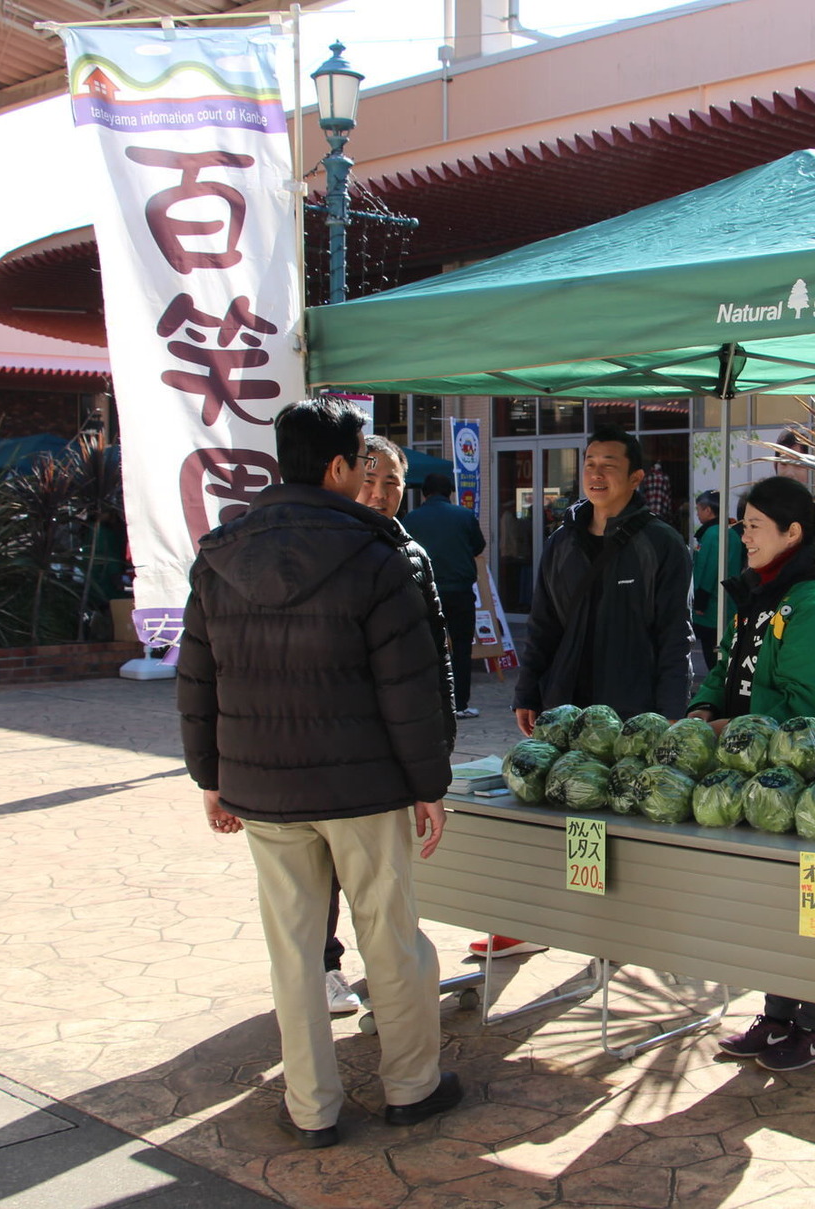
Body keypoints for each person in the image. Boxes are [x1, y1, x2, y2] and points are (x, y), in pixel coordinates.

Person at [179, 398, 463, 1148]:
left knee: (295, 950)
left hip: (266, 793)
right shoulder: (378, 554)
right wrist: (429, 783)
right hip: (365, 791)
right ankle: (411, 1086)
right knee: (390, 939)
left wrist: (209, 775)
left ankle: (311, 1106)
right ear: (338, 466)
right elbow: (408, 687)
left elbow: (197, 677)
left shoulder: (219, 552)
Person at [484, 426, 693, 960]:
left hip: (631, 711)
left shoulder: (662, 545)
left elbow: (674, 637)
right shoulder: (562, 539)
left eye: (610, 465)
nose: (596, 473)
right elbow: (544, 624)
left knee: (620, 823)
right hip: (564, 706)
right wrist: (526, 691)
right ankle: (537, 919)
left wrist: (671, 714)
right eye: (590, 463)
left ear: (637, 477)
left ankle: (620, 930)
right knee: (558, 808)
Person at [685, 474, 815, 1072]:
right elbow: (724, 671)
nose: (744, 538)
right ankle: (778, 1015)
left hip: (811, 789)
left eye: (754, 527)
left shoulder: (814, 608)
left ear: (793, 533)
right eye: (741, 527)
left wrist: (724, 731)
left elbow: (803, 709)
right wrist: (703, 710)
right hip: (756, 779)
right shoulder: (759, 598)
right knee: (771, 903)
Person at [307, 436, 457, 1018]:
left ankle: (387, 983)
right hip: (329, 748)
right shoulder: (320, 550)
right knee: (320, 874)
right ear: (341, 478)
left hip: (392, 751)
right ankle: (322, 968)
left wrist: (437, 744)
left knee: (381, 882)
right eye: (368, 479)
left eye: (391, 482)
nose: (379, 493)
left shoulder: (411, 553)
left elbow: (434, 654)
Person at [403, 471, 487, 720]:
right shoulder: (464, 515)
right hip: (460, 592)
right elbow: (478, 546)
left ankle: (431, 702)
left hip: (425, 592)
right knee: (462, 649)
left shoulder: (412, 518)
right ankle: (460, 704)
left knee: (428, 649)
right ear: (450, 492)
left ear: (424, 493)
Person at [690, 489, 745, 670]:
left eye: (698, 509)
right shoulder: (731, 533)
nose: (697, 514)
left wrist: (700, 601)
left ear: (707, 510)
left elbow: (708, 569)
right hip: (728, 602)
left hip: (712, 607)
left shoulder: (712, 534)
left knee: (713, 653)